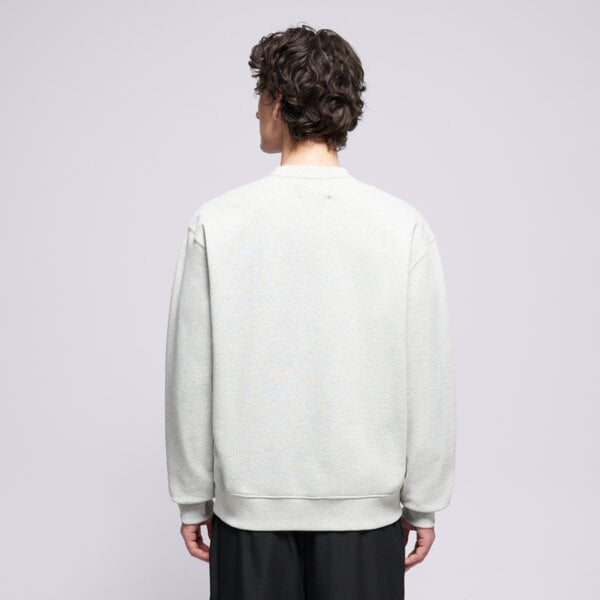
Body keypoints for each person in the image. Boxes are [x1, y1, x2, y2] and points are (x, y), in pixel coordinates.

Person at [165, 23, 456, 600]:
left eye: (258, 98)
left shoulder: (217, 222)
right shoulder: (401, 226)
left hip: (248, 511)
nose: (254, 113)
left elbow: (190, 374)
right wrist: (423, 502)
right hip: (366, 515)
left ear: (277, 102)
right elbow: (428, 375)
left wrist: (193, 496)